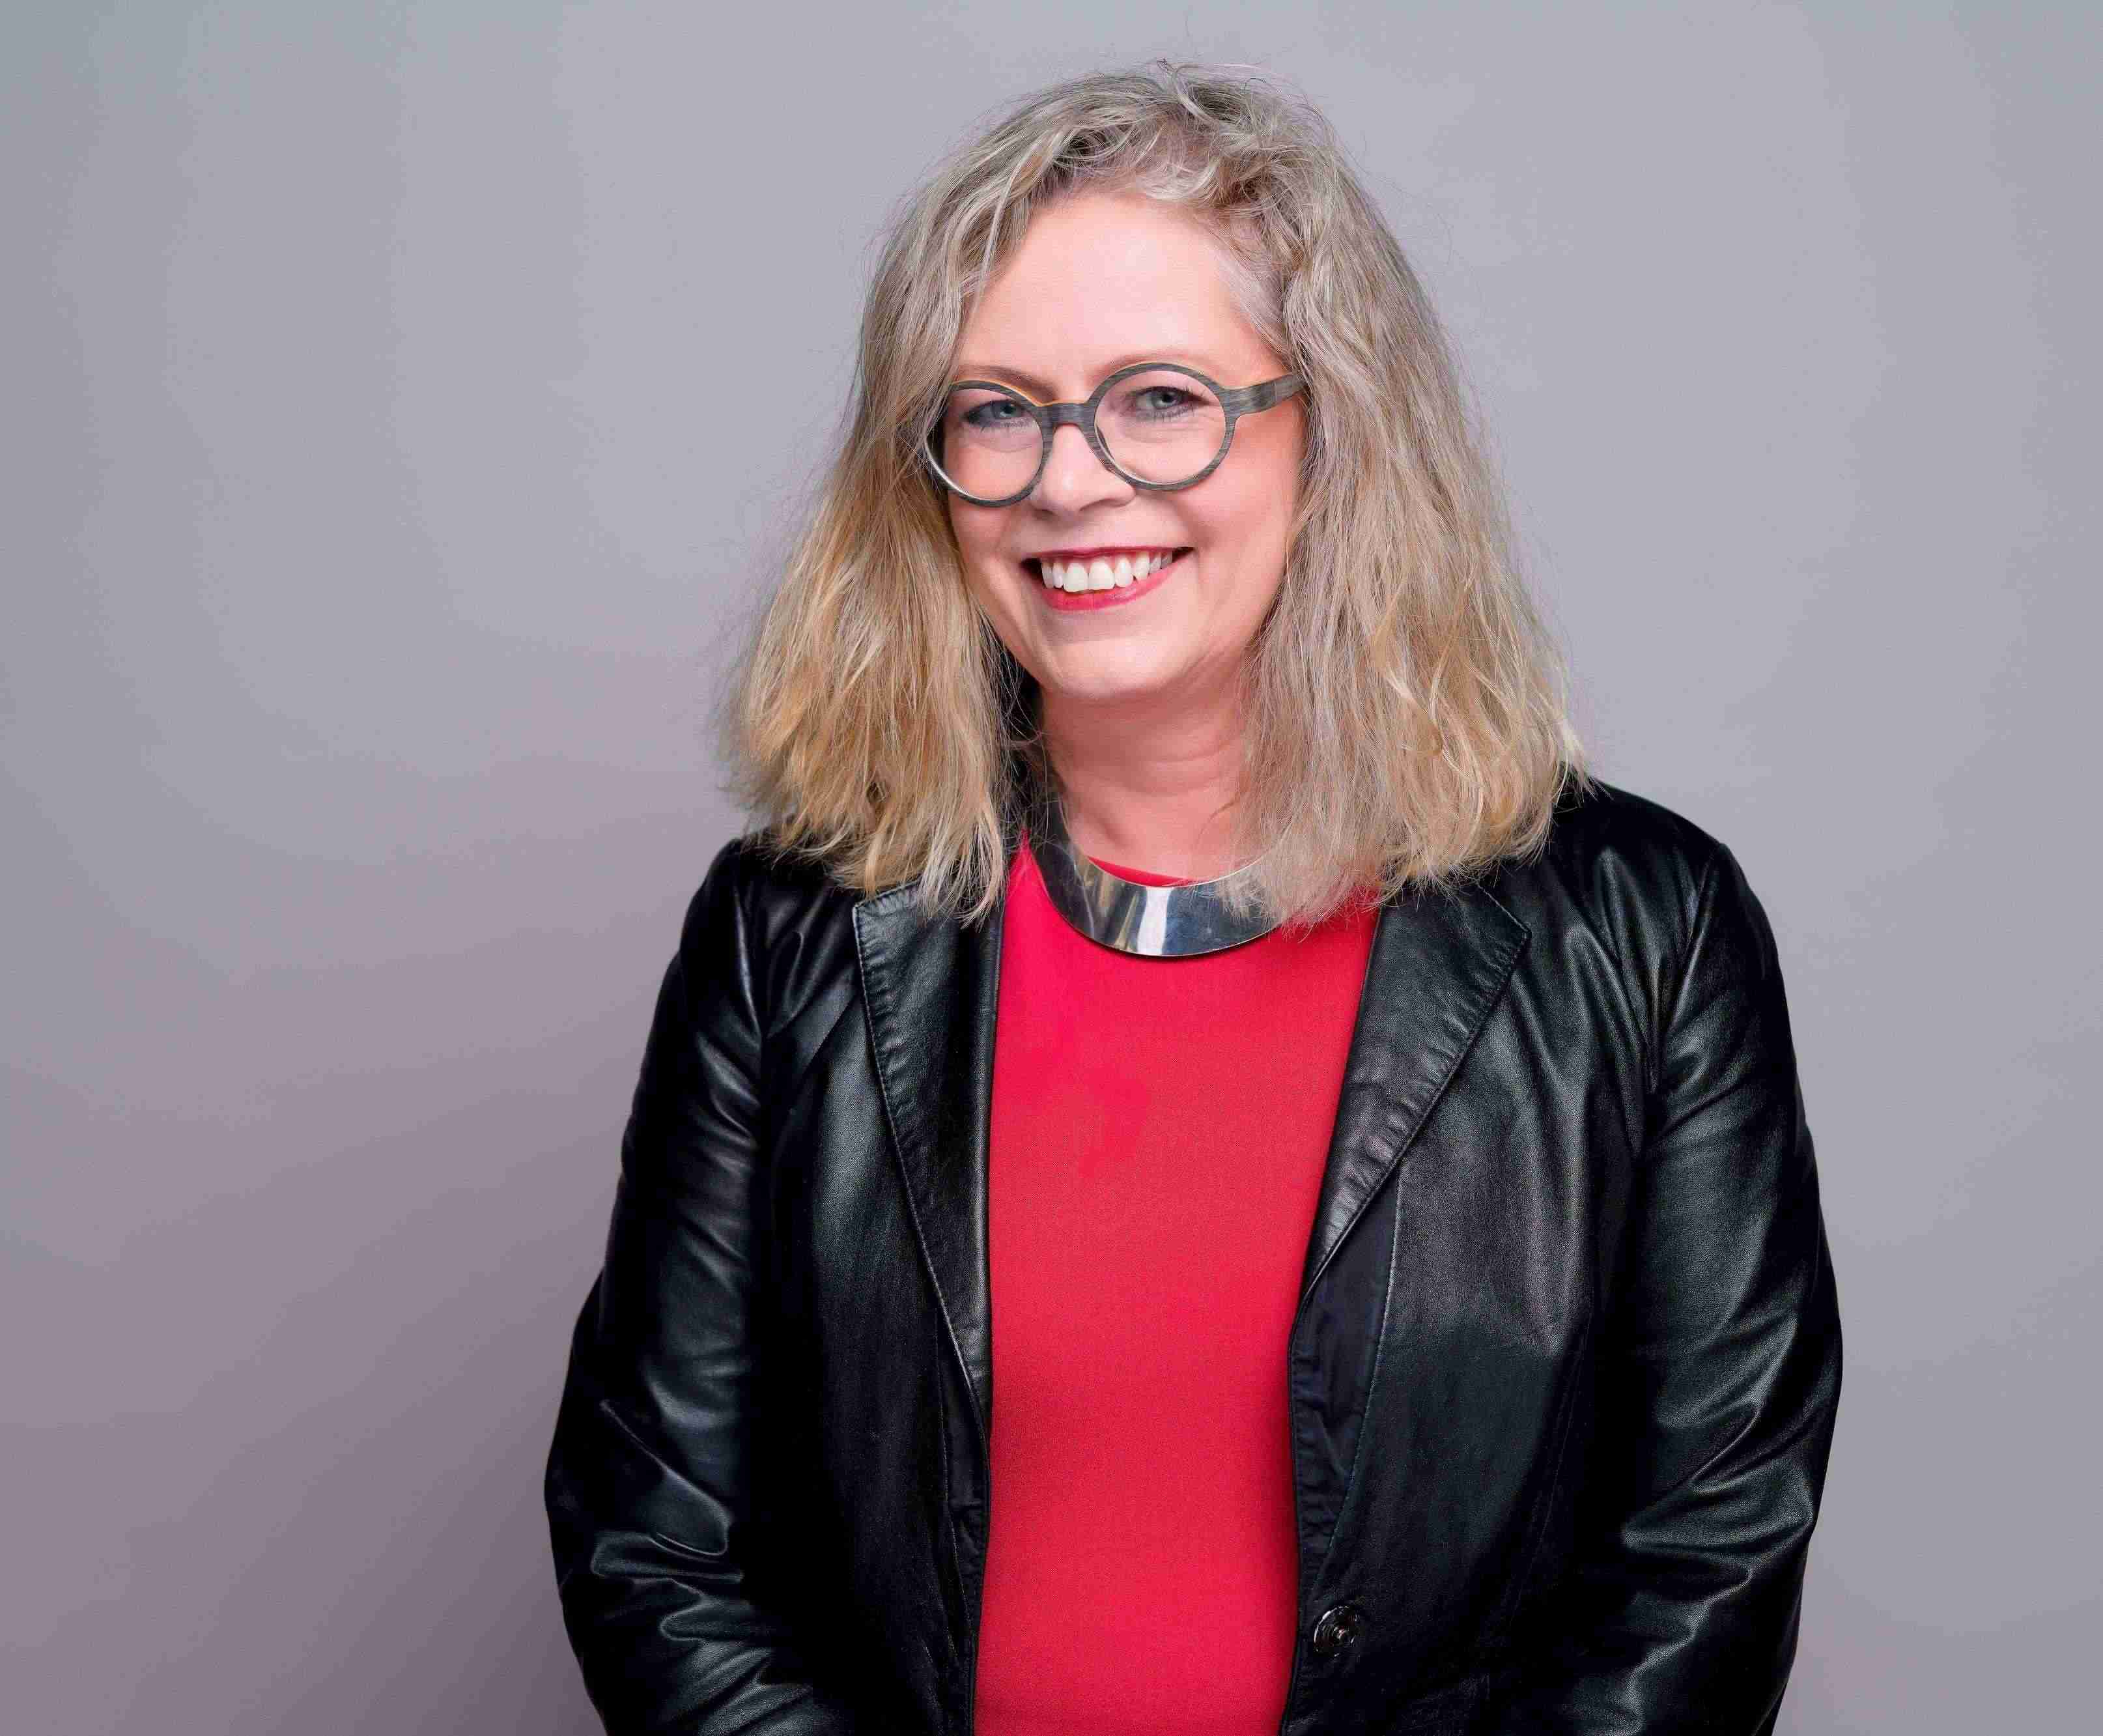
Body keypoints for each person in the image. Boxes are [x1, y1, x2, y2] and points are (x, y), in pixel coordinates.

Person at [543, 61, 1842, 1736]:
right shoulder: (786, 931)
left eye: (1161, 398)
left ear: (1332, 431)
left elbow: (1709, 1553)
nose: (1067, 480)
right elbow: (655, 1542)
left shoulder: (1645, 930)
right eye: (996, 410)